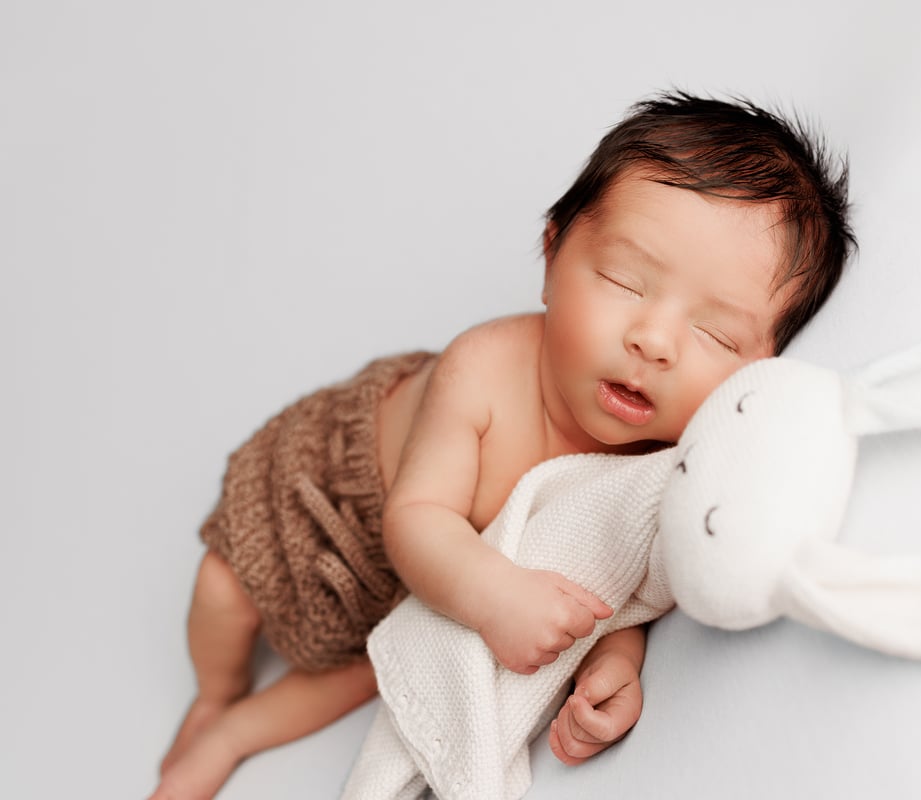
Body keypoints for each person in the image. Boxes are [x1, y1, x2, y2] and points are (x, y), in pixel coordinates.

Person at [152, 90, 856, 800]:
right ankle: (216, 695)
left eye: (717, 335)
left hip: (425, 580)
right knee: (223, 590)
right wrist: (493, 598)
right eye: (623, 280)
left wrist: (615, 661)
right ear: (551, 256)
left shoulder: (658, 465)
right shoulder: (483, 367)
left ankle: (234, 734)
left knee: (381, 664)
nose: (655, 341)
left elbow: (619, 581)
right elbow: (417, 517)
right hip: (337, 491)